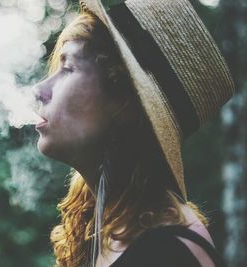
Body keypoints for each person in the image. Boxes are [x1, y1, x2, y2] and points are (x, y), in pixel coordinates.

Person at [33, 0, 235, 266]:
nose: (39, 90)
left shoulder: (167, 254)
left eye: (68, 68)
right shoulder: (101, 230)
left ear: (127, 104)